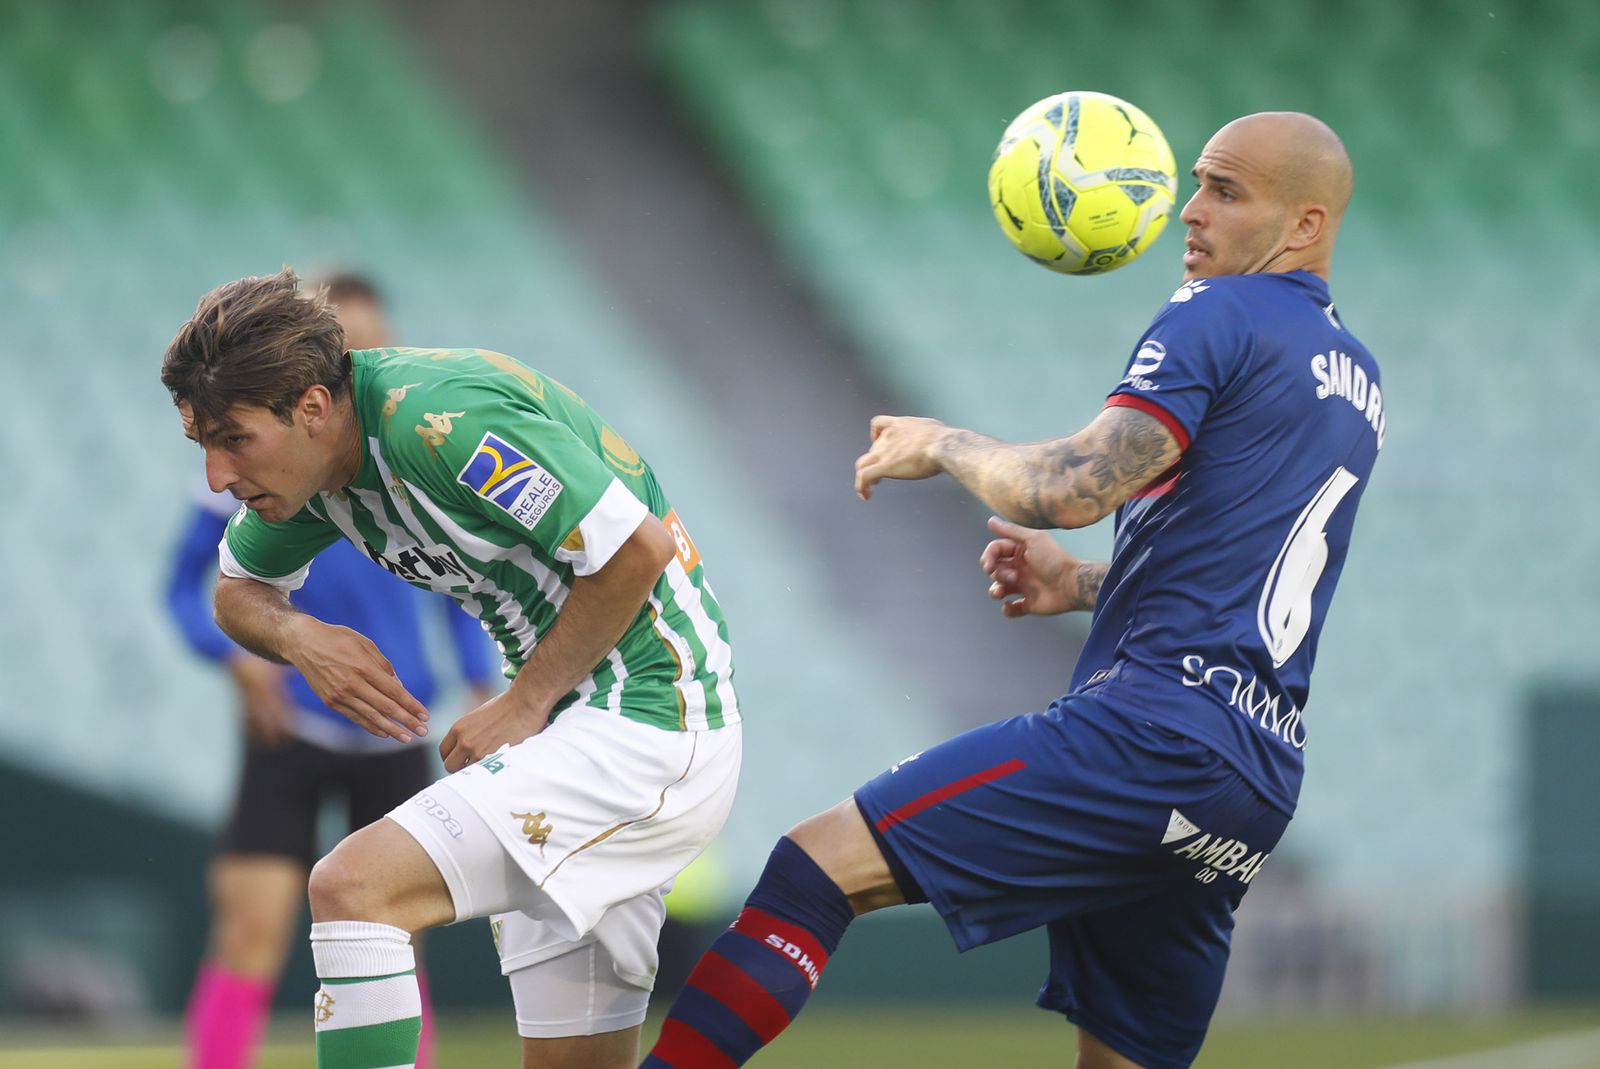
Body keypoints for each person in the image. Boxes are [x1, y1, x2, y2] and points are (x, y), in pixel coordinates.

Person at [638, 111, 1379, 1069]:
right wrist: (1081, 582)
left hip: (1153, 735)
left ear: (1306, 223)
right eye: (1197, 182)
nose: (1189, 210)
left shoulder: (1219, 312)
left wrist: (943, 443)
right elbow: (1248, 569)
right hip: (1253, 778)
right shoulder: (1355, 379)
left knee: (815, 869)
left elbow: (1069, 490)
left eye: (1225, 192)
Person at [159, 270, 743, 1069]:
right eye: (203, 445)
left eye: (233, 439)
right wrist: (300, 638)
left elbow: (636, 550)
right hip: (577, 730)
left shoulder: (441, 426)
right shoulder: (316, 474)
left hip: (650, 715)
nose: (216, 476)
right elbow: (233, 592)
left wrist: (523, 701)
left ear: (314, 407)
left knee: (353, 888)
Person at [167, 274, 495, 1069]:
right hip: (291, 722)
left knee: (394, 939)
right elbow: (188, 588)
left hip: (395, 723)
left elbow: (458, 581)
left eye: (367, 349)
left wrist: (483, 680)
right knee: (250, 927)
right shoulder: (249, 469)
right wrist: (236, 659)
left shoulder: (418, 462)